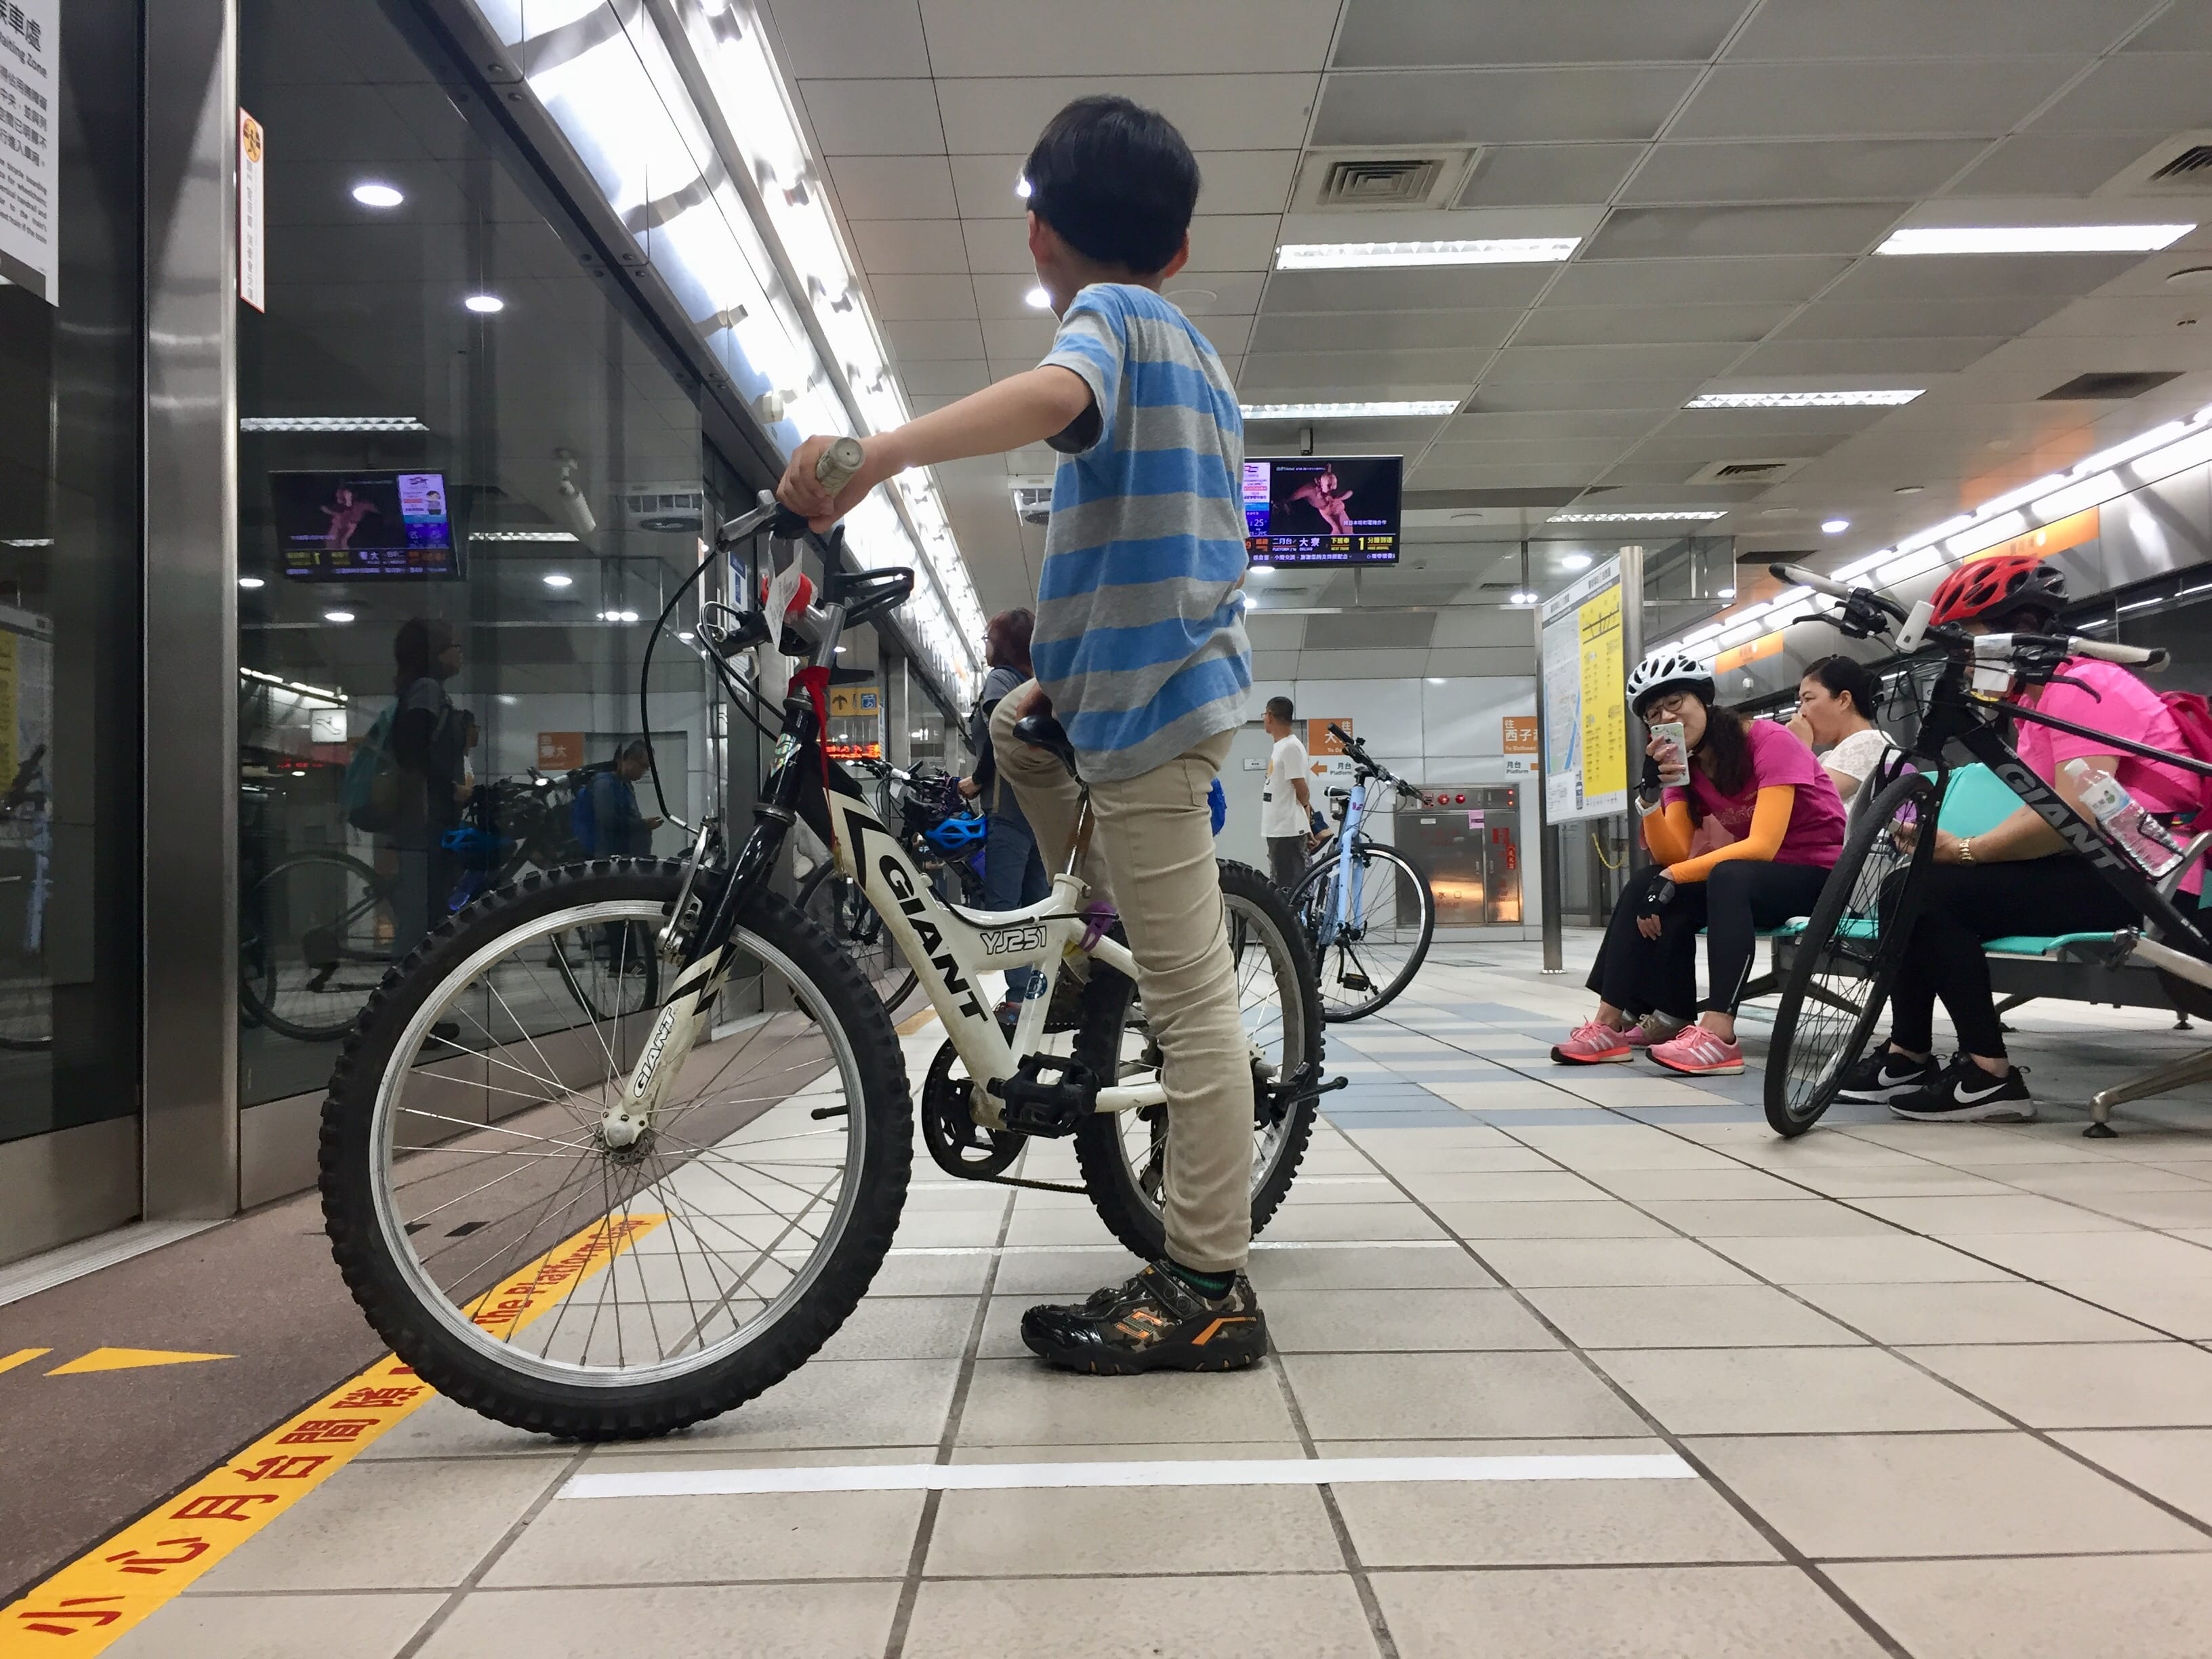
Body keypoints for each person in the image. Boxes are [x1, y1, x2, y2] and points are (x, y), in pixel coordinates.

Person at [778, 94, 1261, 1376]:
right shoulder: (1195, 353)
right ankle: (1097, 928)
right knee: (1011, 727)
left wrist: (872, 456)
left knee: (1193, 1000)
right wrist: (1064, 655)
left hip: (1152, 717)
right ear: (1179, 242)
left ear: (1040, 236)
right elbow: (1168, 533)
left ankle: (1208, 1278)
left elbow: (1055, 394)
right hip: (1131, 692)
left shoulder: (1113, 323)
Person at [1837, 556, 2196, 1122]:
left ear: (2018, 633)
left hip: (2152, 882)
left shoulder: (2085, 685)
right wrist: (1958, 852)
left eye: (1970, 642)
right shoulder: (2037, 701)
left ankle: (1988, 1076)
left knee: (1925, 892)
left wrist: (1965, 851)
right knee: (1908, 889)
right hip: (2099, 867)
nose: (1964, 658)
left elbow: (2075, 813)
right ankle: (1908, 1055)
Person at [1553, 648, 1845, 1077]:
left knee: (1724, 875)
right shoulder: (1682, 766)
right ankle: (1608, 1025)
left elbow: (1763, 845)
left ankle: (1720, 1034)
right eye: (1655, 713)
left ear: (1703, 702)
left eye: (1677, 703)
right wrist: (1649, 799)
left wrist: (1674, 876)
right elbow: (1671, 854)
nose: (1668, 717)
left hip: (1816, 874)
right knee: (1643, 882)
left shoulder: (1767, 740)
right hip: (1753, 881)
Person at [962, 608, 1050, 1015]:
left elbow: (1002, 736)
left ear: (1003, 644)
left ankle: (1018, 998)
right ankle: (1041, 991)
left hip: (1007, 806)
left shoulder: (1000, 680)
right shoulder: (1038, 683)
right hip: (1039, 806)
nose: (986, 646)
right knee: (1038, 903)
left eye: (988, 638)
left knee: (1004, 906)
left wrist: (977, 780)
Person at [386, 617, 468, 960]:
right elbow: (413, 752)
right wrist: (450, 787)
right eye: (454, 646)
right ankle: (404, 1004)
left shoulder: (423, 689)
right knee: (422, 919)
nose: (459, 654)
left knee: (427, 913)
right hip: (424, 821)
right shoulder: (427, 690)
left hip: (427, 820)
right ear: (435, 653)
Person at [1788, 655, 1893, 802]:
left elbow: (1809, 801)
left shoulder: (1870, 742)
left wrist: (1799, 746)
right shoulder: (1827, 757)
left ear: (1844, 700)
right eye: (1800, 702)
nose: (1802, 712)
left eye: (1809, 699)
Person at [1260, 696, 1316, 889]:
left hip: (1288, 831)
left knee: (1290, 890)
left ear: (1270, 716)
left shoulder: (1290, 747)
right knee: (1280, 886)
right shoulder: (1281, 747)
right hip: (1279, 829)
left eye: (1265, 714)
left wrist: (1305, 818)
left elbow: (1302, 791)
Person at [581, 739, 662, 859]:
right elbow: (608, 822)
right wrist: (644, 825)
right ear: (629, 759)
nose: (644, 771)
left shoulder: (624, 785)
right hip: (609, 861)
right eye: (644, 766)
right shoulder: (604, 785)